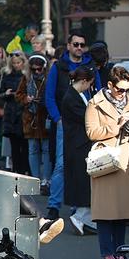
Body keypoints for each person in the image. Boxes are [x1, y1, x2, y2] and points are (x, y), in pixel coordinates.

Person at [85, 64, 129, 259]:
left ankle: (120, 254)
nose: (123, 93)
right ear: (109, 85)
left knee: (122, 213)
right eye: (120, 89)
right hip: (106, 162)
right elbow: (91, 132)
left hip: (126, 163)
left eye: (126, 89)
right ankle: (108, 256)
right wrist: (119, 125)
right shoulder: (94, 104)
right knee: (105, 214)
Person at [44, 34, 93, 220]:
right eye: (76, 44)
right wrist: (58, 118)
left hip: (86, 124)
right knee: (61, 164)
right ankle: (54, 205)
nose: (79, 47)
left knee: (80, 165)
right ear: (69, 46)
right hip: (66, 123)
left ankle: (77, 205)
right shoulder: (58, 67)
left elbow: (97, 92)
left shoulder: (89, 67)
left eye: (82, 44)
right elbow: (49, 96)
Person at [59, 66, 97, 235]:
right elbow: (86, 118)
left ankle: (84, 219)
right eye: (89, 83)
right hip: (79, 145)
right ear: (84, 81)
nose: (90, 86)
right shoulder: (72, 98)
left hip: (77, 144)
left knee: (83, 183)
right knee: (83, 183)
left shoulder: (73, 95)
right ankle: (81, 217)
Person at [18, 54, 54, 188]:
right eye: (34, 70)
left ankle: (46, 179)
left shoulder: (49, 78)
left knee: (46, 149)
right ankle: (35, 179)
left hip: (45, 117)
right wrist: (25, 98)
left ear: (45, 68)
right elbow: (18, 94)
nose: (37, 72)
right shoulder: (26, 78)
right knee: (32, 149)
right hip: (31, 117)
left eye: (40, 69)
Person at [0, 51, 27, 176]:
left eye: (18, 63)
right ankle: (17, 169)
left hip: (24, 112)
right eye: (14, 63)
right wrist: (6, 94)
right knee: (14, 146)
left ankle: (25, 169)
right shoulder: (6, 75)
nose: (16, 65)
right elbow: (0, 94)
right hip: (11, 112)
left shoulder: (27, 75)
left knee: (25, 145)